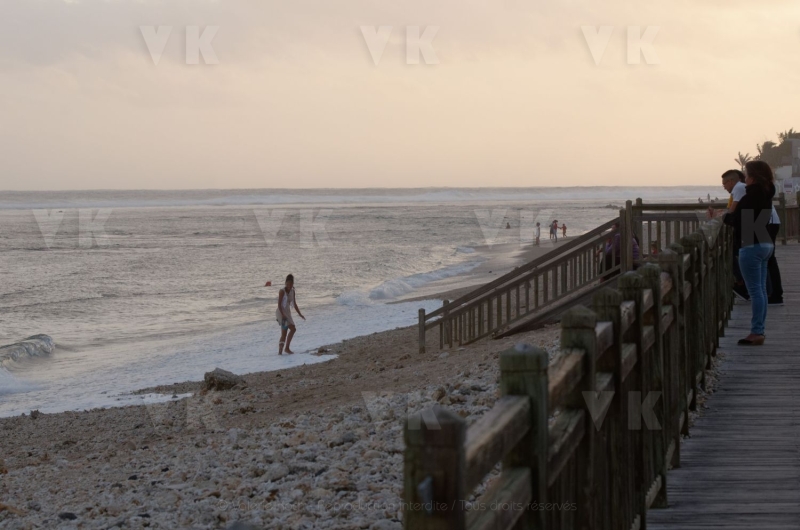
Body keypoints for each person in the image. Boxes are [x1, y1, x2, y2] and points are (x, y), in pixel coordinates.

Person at [723, 161, 775, 346]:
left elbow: (738, 220)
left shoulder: (751, 196)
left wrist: (723, 217)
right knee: (760, 290)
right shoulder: (767, 193)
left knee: (755, 292)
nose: (745, 178)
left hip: (751, 246)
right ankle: (758, 330)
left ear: (753, 176)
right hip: (765, 243)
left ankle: (756, 332)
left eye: (746, 174)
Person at [276, 274, 305, 354]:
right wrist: (283, 315)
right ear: (285, 283)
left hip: (287, 313)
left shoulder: (292, 291)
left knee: (287, 331)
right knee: (289, 330)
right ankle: (283, 350)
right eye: (287, 284)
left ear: (293, 284)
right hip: (281, 313)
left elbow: (294, 304)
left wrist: (300, 314)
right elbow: (279, 305)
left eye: (291, 284)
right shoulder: (282, 291)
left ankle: (283, 351)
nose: (289, 286)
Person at [766, 204, 784, 305]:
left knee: (769, 260)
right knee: (769, 259)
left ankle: (774, 294)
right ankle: (774, 293)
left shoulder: (740, 188)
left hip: (766, 222)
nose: (723, 186)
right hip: (768, 221)